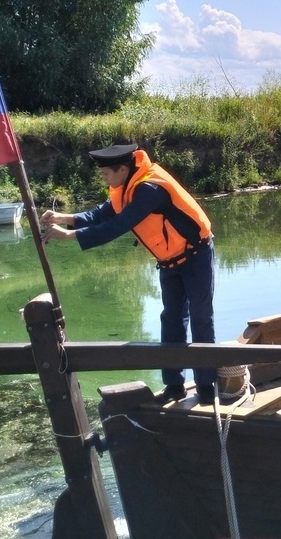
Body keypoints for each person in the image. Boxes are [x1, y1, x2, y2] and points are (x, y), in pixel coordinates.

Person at [42, 143, 217, 403]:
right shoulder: (126, 186)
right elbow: (101, 214)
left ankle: (206, 389)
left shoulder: (150, 189)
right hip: (169, 262)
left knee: (201, 318)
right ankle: (174, 386)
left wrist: (69, 236)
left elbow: (118, 225)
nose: (103, 178)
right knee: (171, 319)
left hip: (196, 256)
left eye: (106, 174)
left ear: (122, 169)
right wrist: (63, 217)